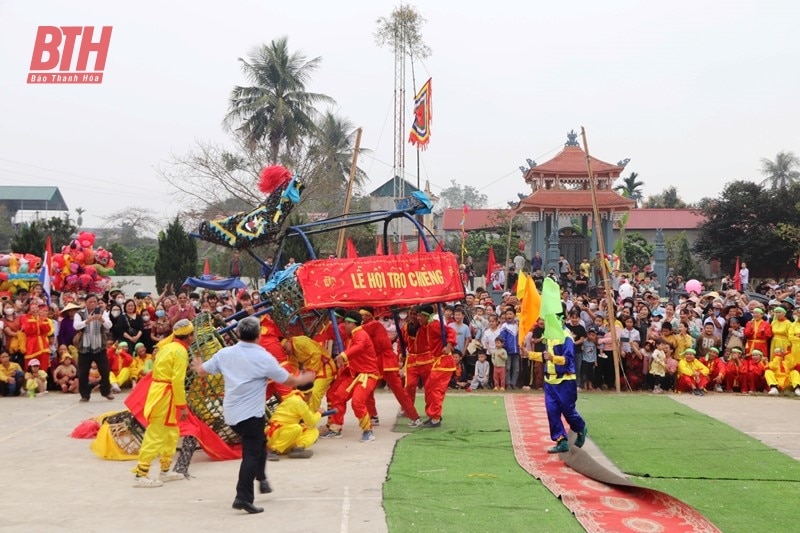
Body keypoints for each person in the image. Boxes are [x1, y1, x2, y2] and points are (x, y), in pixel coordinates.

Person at [193, 317, 315, 514]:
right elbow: (288, 380)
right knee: (251, 454)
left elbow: (202, 371)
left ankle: (262, 479)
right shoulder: (264, 357)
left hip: (232, 414)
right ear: (259, 336)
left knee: (260, 443)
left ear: (239, 334)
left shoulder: (225, 353)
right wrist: (304, 379)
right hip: (250, 415)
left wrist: (198, 364)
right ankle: (243, 497)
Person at [132, 319, 195, 488]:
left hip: (163, 393)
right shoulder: (180, 351)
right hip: (165, 396)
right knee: (157, 433)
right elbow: (177, 380)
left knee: (171, 432)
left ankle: (165, 471)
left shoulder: (168, 347)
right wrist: (182, 406)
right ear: (189, 336)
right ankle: (141, 474)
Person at [527, 328, 588, 454]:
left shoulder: (566, 337)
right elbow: (545, 357)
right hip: (550, 381)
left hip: (565, 380)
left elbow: (568, 359)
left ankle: (580, 427)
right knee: (552, 411)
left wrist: (553, 358)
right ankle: (561, 441)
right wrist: (529, 354)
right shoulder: (548, 335)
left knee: (568, 411)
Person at [74, 294, 114, 401]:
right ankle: (85, 395)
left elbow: (109, 326)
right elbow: (76, 326)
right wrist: (87, 321)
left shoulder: (103, 312)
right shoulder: (80, 313)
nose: (92, 304)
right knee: (82, 373)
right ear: (86, 302)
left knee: (105, 371)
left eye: (94, 302)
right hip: (84, 347)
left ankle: (106, 391)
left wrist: (101, 319)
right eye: (90, 302)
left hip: (99, 346)